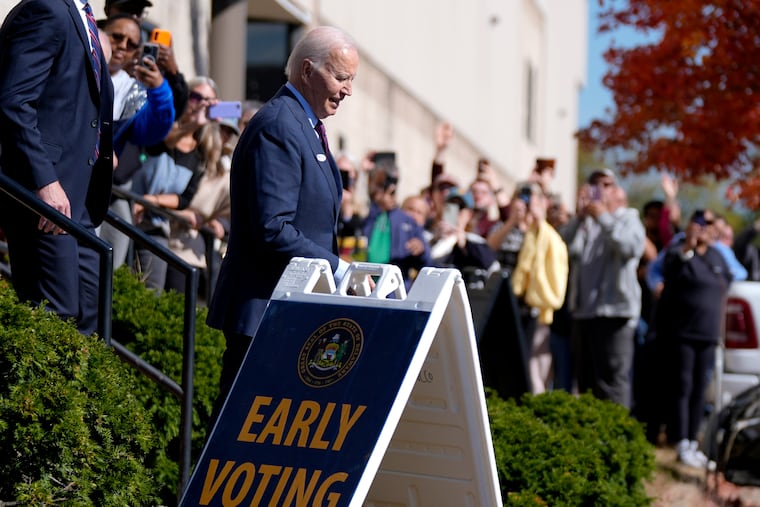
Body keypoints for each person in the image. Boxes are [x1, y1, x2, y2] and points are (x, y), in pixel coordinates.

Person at [206, 26, 360, 418]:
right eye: (340, 78)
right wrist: (338, 269)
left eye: (350, 80)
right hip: (263, 313)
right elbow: (271, 226)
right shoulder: (279, 126)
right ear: (307, 70)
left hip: (289, 311)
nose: (347, 91)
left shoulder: (303, 124)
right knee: (235, 438)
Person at [0, 0, 114, 335]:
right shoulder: (47, 8)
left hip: (79, 201)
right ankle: (40, 390)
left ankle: (80, 390)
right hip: (45, 200)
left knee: (90, 313)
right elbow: (14, 101)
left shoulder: (81, 15)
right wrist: (45, 181)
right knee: (55, 316)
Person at [655, 210, 732, 467]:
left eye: (709, 223)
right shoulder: (680, 251)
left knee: (700, 388)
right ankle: (680, 440)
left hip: (708, 333)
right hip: (683, 332)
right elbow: (669, 269)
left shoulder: (716, 255)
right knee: (683, 386)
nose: (704, 228)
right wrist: (688, 245)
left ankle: (692, 440)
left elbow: (731, 278)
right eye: (699, 222)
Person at [563, 169, 645, 409]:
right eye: (595, 183)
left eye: (607, 184)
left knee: (612, 382)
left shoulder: (627, 218)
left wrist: (603, 217)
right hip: (584, 313)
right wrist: (578, 218)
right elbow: (564, 247)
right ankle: (591, 441)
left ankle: (617, 442)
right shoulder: (585, 223)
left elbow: (630, 247)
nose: (600, 188)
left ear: (617, 191)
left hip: (615, 314)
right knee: (586, 384)